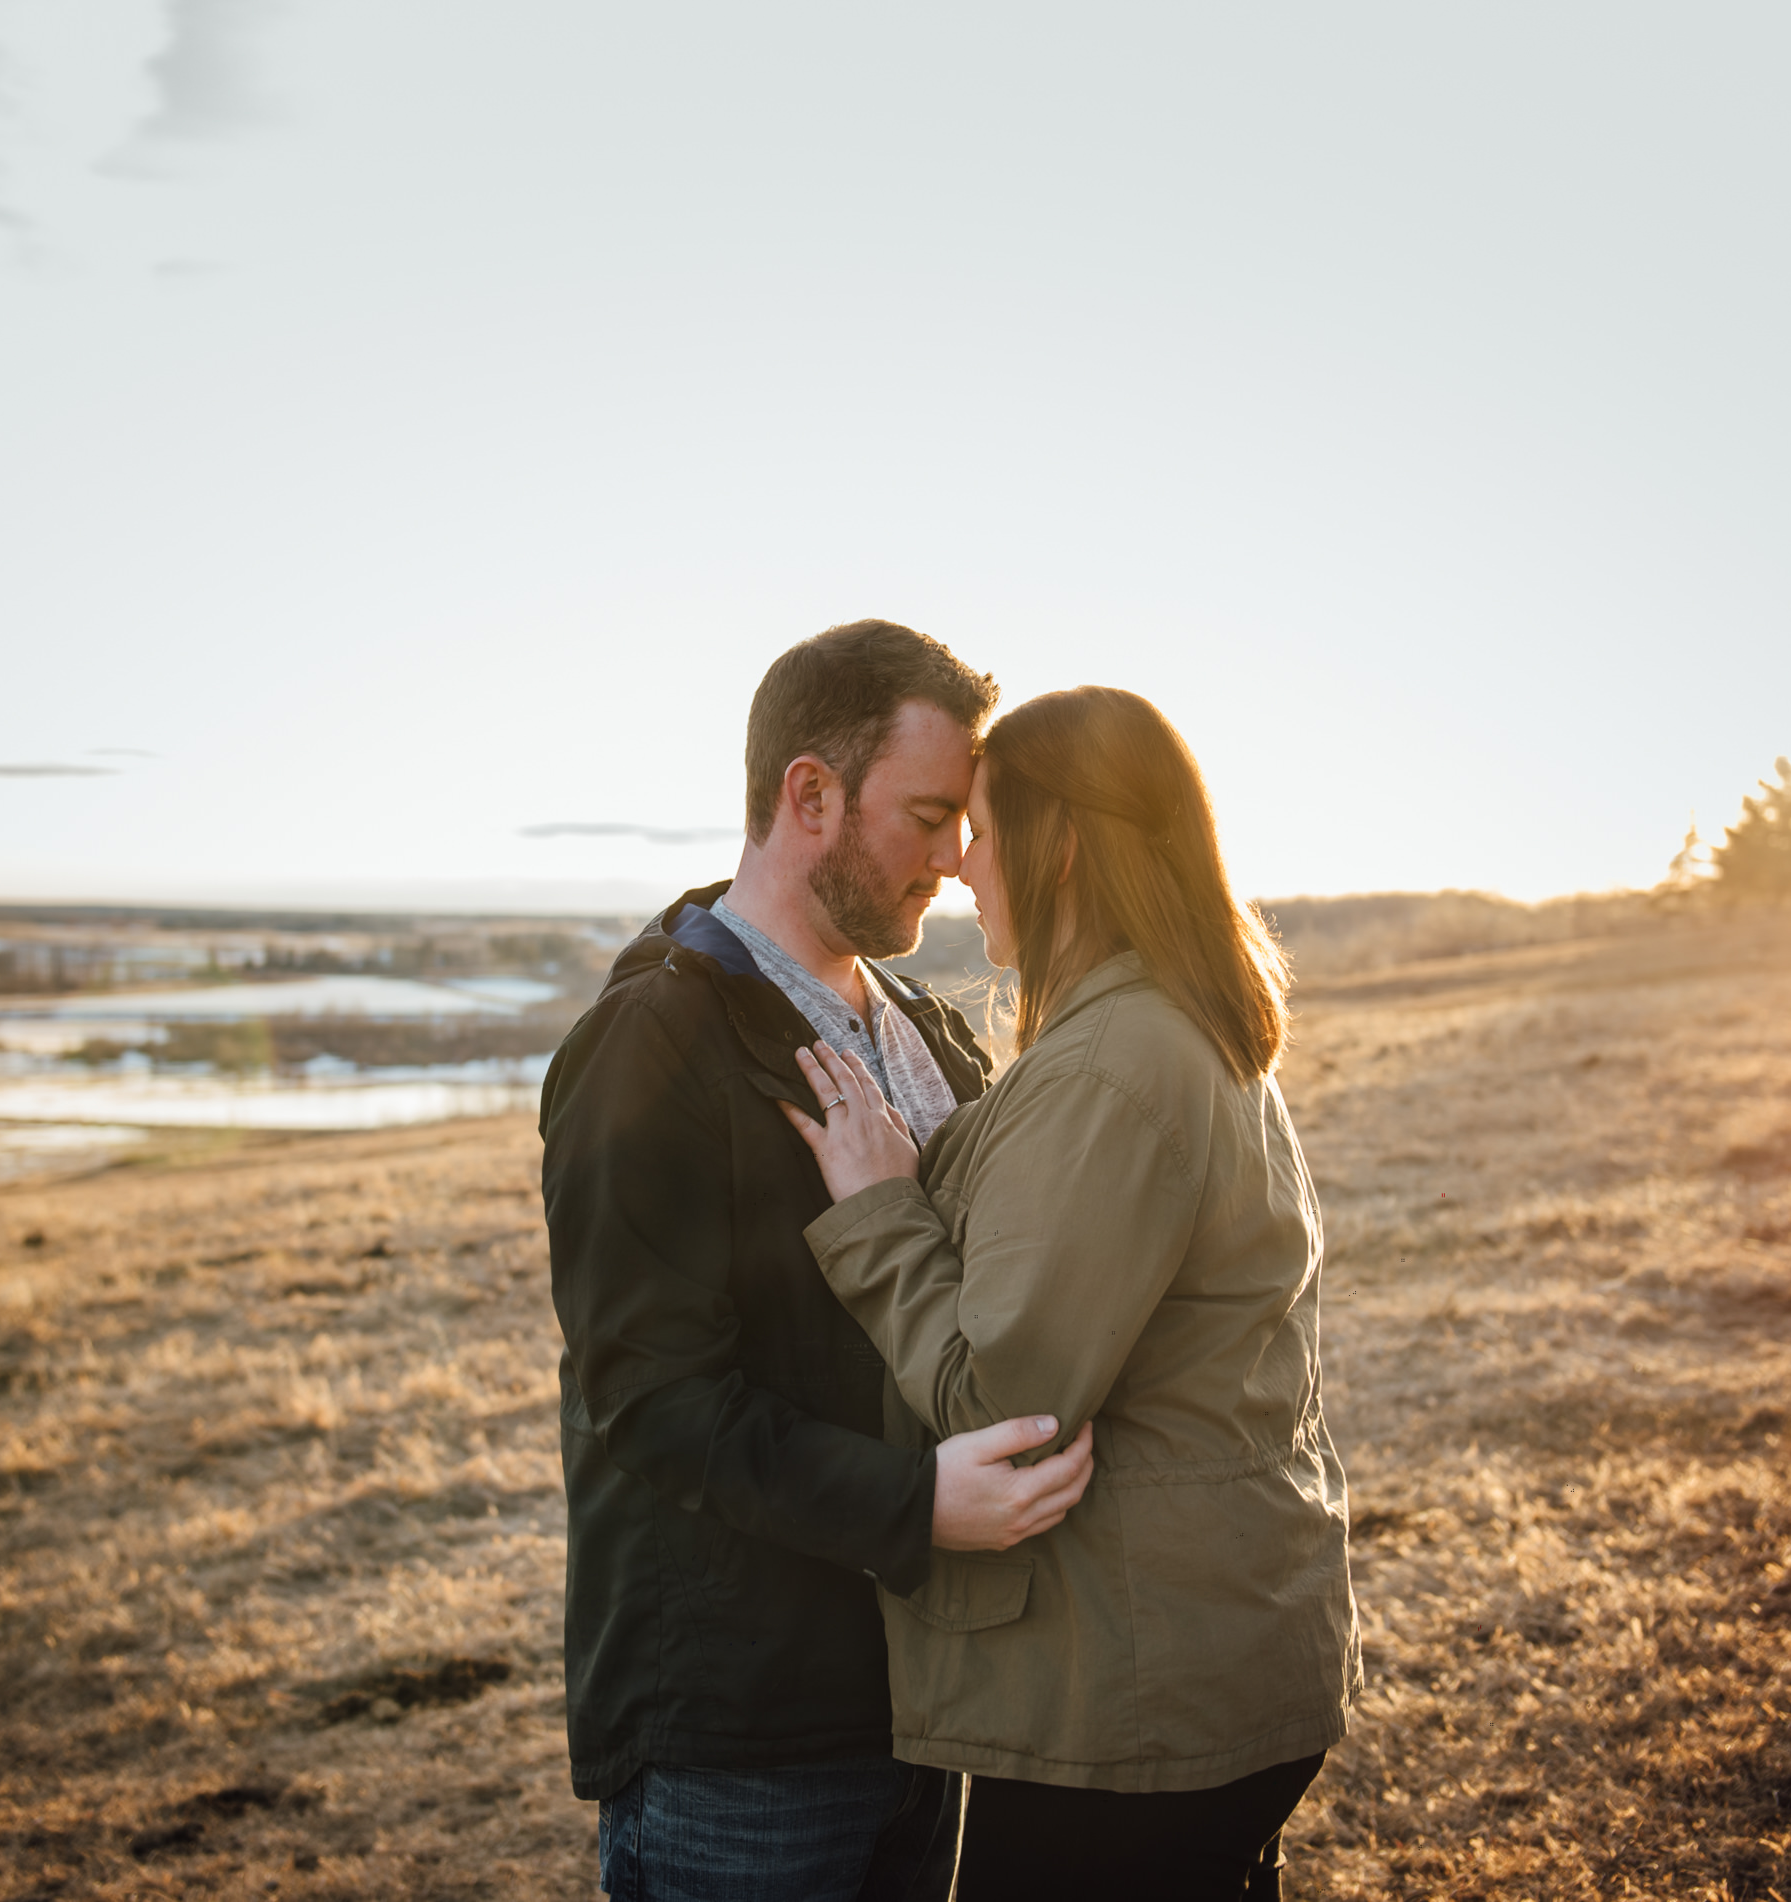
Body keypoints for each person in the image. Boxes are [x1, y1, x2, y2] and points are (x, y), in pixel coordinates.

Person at [540, 620, 1099, 1902]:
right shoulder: (649, 1045)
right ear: (809, 795)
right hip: (739, 1736)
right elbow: (650, 1401)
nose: (957, 859)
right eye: (927, 815)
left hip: (923, 1698)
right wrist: (917, 1509)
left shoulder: (930, 1035)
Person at [781, 685, 1362, 1901]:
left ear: (1067, 845)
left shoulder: (1113, 1065)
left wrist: (877, 1210)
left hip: (1135, 1702)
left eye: (984, 830)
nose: (958, 864)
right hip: (1195, 1656)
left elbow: (1001, 1400)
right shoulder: (1150, 1026)